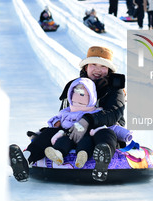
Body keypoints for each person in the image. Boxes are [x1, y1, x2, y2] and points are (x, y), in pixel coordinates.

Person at [9, 46, 126, 182]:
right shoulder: (76, 86)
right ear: (86, 67)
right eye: (93, 64)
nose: (98, 70)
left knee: (105, 134)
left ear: (109, 70)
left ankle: (103, 157)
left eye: (103, 66)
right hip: (72, 133)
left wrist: (87, 120)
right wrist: (55, 127)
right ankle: (25, 160)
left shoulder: (115, 89)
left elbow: (113, 114)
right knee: (49, 133)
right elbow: (66, 113)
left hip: (101, 132)